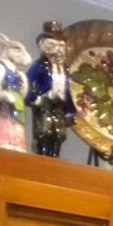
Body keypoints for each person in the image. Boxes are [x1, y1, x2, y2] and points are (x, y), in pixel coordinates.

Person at [25, 21, 76, 158]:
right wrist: (34, 98)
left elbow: (67, 91)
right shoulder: (40, 65)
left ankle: (54, 154)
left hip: (60, 105)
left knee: (59, 132)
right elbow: (27, 81)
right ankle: (42, 152)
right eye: (52, 45)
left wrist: (70, 111)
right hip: (44, 103)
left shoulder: (64, 68)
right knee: (44, 130)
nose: (57, 50)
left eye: (60, 46)